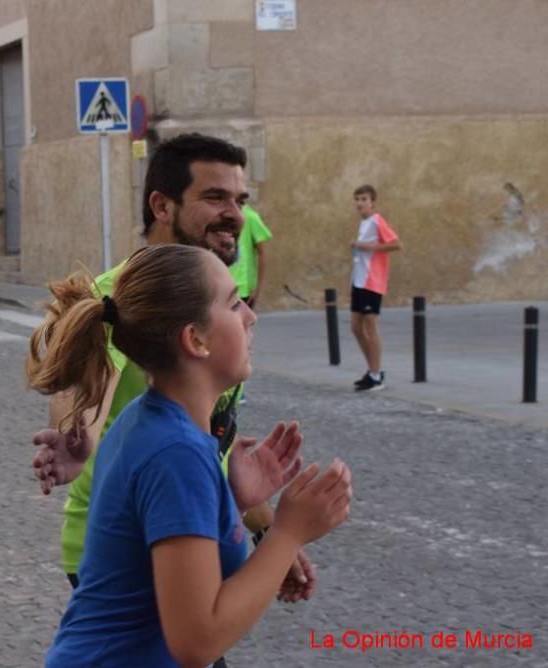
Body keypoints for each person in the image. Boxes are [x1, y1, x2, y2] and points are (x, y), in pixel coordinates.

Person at [28, 244, 353, 667]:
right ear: (195, 339)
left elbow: (162, 555)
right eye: (234, 304)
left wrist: (228, 502)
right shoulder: (175, 451)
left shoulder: (154, 424)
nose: (251, 316)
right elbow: (197, 640)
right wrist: (289, 532)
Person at [31, 134, 317, 602]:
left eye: (239, 199)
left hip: (188, 532)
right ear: (162, 206)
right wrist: (75, 437)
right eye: (214, 197)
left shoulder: (214, 305)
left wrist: (266, 535)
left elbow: (216, 440)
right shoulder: (124, 298)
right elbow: (86, 394)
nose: (236, 215)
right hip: (123, 553)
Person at [350, 184, 402, 391]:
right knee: (355, 327)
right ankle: (371, 370)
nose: (360, 203)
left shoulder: (377, 221)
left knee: (370, 327)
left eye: (364, 199)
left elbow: (397, 244)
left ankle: (376, 374)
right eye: (357, 199)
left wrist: (366, 247)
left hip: (373, 282)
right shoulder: (363, 224)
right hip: (359, 282)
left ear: (373, 202)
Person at [228, 204, 272, 309]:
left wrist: (258, 289)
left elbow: (262, 253)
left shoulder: (250, 217)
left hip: (242, 288)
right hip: (217, 286)